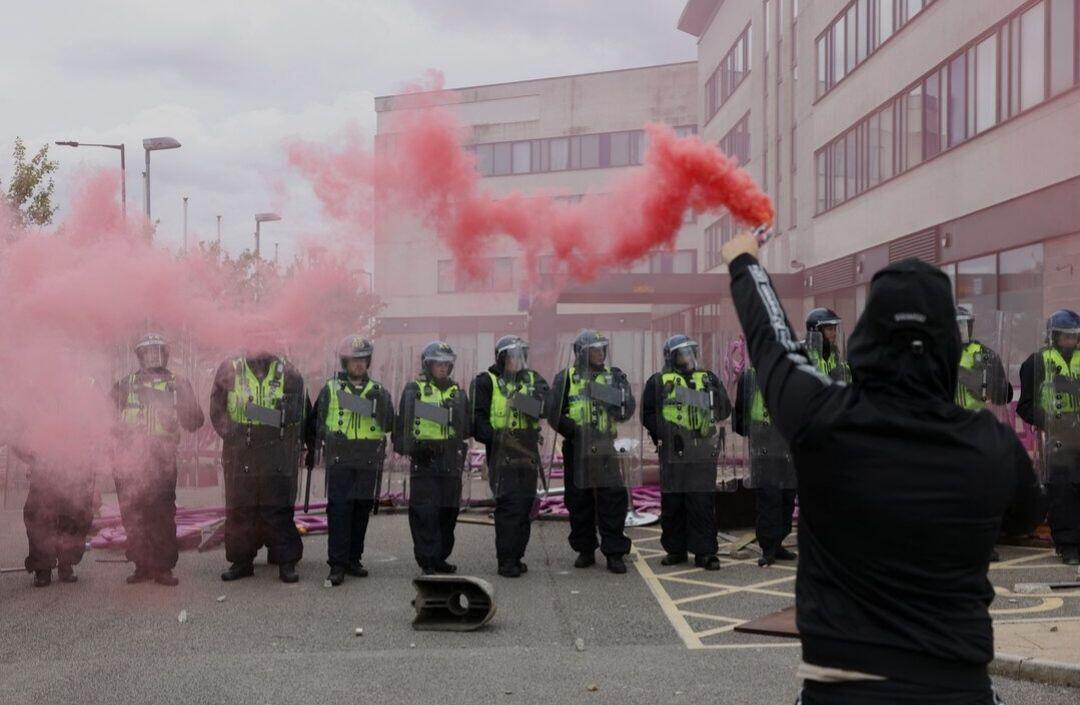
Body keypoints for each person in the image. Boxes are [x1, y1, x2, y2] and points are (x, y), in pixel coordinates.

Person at [721, 231, 1041, 704]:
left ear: (867, 335)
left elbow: (773, 343)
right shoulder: (991, 446)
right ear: (948, 344)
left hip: (843, 689)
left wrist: (744, 262)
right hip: (955, 687)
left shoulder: (822, 420)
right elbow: (1024, 517)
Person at [210, 346, 312, 583]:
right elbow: (217, 408)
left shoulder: (289, 371)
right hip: (240, 449)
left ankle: (286, 561)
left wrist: (309, 444)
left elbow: (302, 411)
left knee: (277, 508)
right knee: (240, 509)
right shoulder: (230, 369)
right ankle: (241, 561)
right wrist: (230, 433)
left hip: (277, 450)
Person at [111, 333, 204, 586]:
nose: (153, 357)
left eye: (158, 351)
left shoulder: (178, 384)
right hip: (130, 462)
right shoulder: (125, 384)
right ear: (139, 357)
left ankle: (163, 568)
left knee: (162, 514)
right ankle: (141, 565)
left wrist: (183, 402)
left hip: (162, 462)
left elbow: (196, 421)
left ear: (166, 354)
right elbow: (104, 419)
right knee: (134, 514)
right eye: (147, 352)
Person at [547, 329, 636, 574]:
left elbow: (627, 409)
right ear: (582, 353)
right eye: (594, 349)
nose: (599, 354)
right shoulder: (566, 377)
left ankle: (614, 552)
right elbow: (553, 412)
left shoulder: (614, 376)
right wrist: (574, 431)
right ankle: (585, 549)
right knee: (579, 500)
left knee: (613, 499)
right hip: (577, 445)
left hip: (605, 445)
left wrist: (606, 395)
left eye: (601, 349)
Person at [642, 334, 731, 571]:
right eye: (683, 352)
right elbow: (648, 414)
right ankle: (676, 549)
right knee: (673, 501)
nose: (688, 356)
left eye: (691, 351)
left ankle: (705, 552)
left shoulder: (708, 378)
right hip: (673, 449)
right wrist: (665, 433)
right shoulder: (658, 381)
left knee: (701, 502)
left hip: (702, 448)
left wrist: (713, 395)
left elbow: (724, 410)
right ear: (671, 357)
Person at [311, 335, 394, 585]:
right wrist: (325, 435)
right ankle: (337, 564)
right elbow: (316, 422)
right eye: (354, 360)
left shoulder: (379, 391)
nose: (359, 364)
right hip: (341, 456)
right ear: (345, 361)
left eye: (363, 360)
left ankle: (353, 559)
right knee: (339, 510)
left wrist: (380, 408)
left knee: (361, 510)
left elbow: (391, 424)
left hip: (368, 457)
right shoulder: (331, 388)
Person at [470, 335, 550, 578]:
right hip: (501, 454)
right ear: (502, 357)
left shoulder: (533, 379)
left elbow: (549, 406)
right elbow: (478, 421)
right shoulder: (486, 381)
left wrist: (520, 401)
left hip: (527, 453)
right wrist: (497, 438)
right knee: (508, 508)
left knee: (525, 506)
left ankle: (517, 556)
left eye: (521, 356)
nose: (517, 360)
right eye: (512, 356)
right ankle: (506, 560)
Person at [393, 341, 470, 575]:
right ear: (428, 365)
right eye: (438, 364)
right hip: (424, 461)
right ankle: (428, 560)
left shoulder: (458, 393)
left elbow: (465, 428)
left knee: (448, 512)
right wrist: (416, 448)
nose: (443, 368)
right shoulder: (413, 390)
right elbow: (402, 430)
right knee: (426, 513)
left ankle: (440, 557)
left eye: (447, 364)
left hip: (450, 462)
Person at [1017, 309, 1080, 565]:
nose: (1070, 341)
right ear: (1053, 337)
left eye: (1074, 337)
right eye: (1064, 336)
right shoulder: (1037, 362)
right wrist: (1047, 420)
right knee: (1063, 490)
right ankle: (1068, 545)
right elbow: (1026, 404)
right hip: (1057, 432)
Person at [733, 364, 797, 567]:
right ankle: (768, 548)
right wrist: (753, 434)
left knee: (787, 494)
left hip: (786, 442)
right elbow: (741, 410)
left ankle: (778, 542)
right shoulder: (751, 376)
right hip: (764, 443)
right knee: (769, 496)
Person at [19, 449, 93, 588]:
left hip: (71, 470)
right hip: (43, 471)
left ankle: (66, 563)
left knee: (72, 517)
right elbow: (22, 441)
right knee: (38, 518)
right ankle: (42, 568)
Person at [955, 305, 1013, 412]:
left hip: (975, 420)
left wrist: (987, 382)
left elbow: (1005, 395)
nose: (964, 329)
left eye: (967, 324)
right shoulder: (940, 355)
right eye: (959, 325)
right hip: (946, 421)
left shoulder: (984, 354)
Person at [805, 308, 850, 382]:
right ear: (817, 330)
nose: (834, 333)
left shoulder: (834, 353)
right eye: (830, 329)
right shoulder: (805, 354)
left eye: (835, 329)